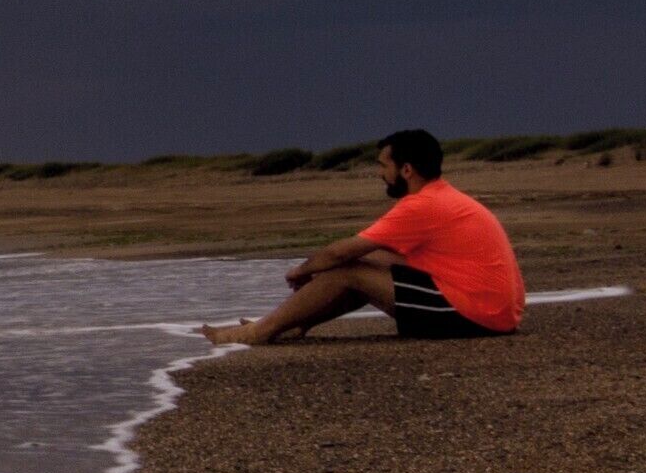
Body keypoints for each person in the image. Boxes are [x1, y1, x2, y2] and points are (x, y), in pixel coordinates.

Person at [200, 128, 524, 346]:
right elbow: (373, 254)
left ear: (406, 170)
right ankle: (296, 323)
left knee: (349, 270)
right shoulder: (443, 197)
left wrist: (302, 270)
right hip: (495, 314)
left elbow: (341, 254)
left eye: (384, 166)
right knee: (367, 261)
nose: (380, 174)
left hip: (475, 317)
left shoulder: (423, 205)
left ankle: (260, 331)